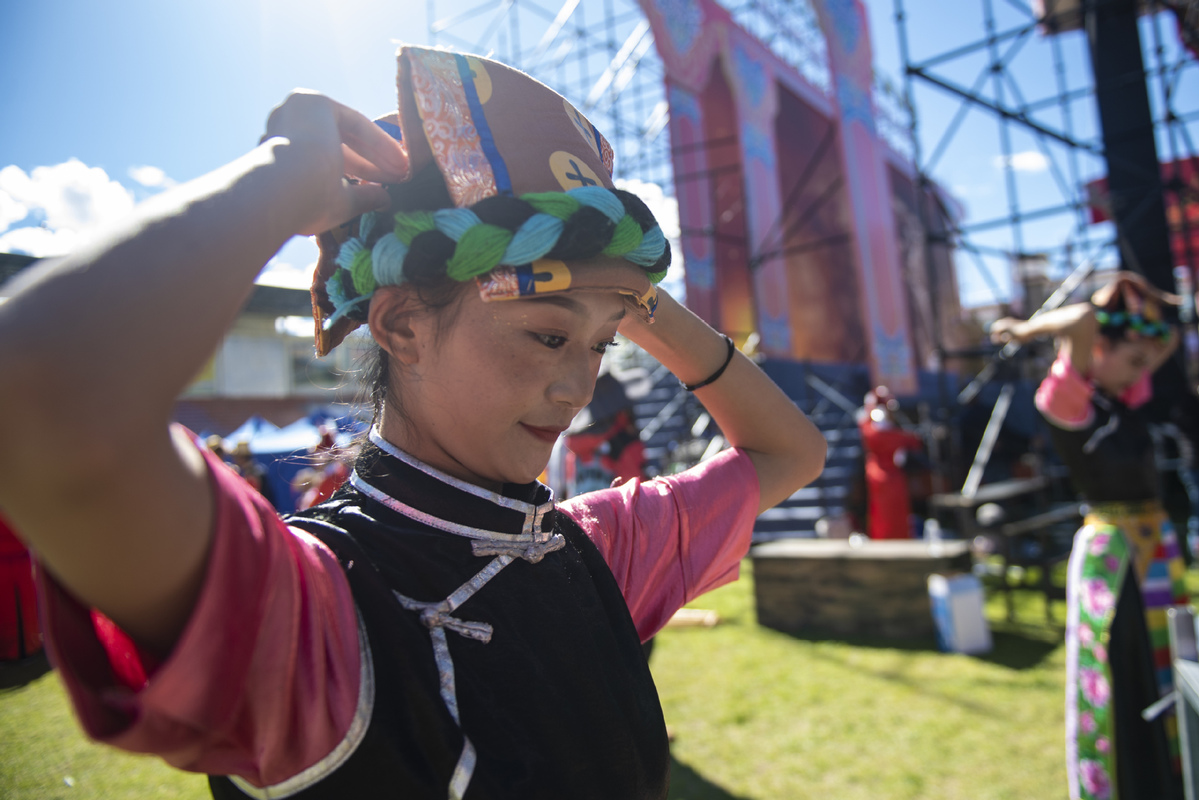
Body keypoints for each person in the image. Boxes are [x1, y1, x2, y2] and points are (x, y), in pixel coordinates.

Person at [0, 46, 825, 799]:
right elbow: (41, 399)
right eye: (547, 337)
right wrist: (281, 178)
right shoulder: (314, 610)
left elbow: (789, 451)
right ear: (399, 325)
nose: (579, 386)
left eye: (602, 346)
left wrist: (622, 291)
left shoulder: (595, 546)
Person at [991, 272, 1186, 800]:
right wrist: (1024, 330)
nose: (1142, 371)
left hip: (1154, 547)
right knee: (1119, 670)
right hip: (1113, 556)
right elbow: (1079, 319)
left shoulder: (1125, 395)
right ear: (1100, 350)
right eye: (1133, 359)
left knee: (1167, 662)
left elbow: (1168, 338)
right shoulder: (1068, 401)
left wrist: (1134, 293)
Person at [857, 386, 924, 539]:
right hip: (881, 474)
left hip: (892, 475)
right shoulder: (878, 431)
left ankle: (897, 537)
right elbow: (904, 439)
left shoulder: (885, 431)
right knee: (883, 512)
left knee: (895, 511)